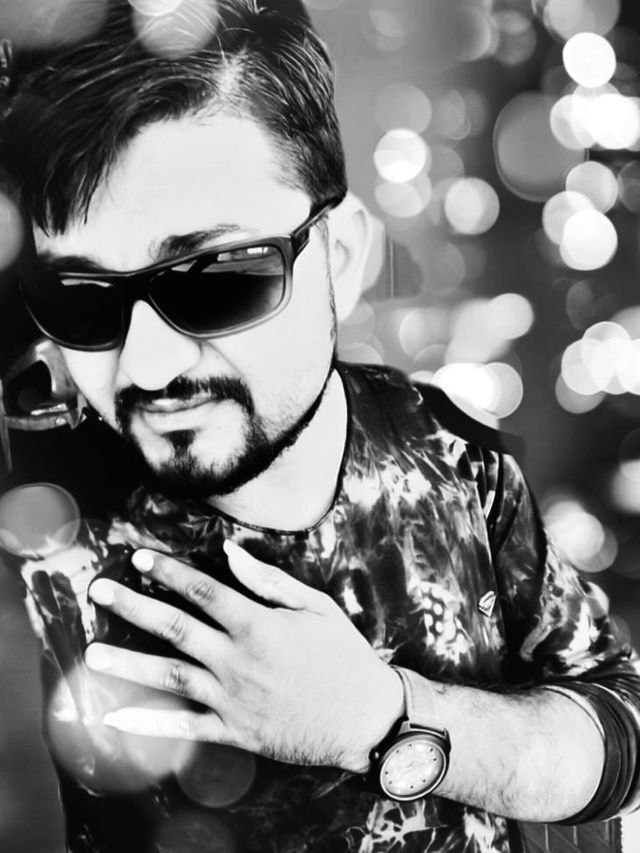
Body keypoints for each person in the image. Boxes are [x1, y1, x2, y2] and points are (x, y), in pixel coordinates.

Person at [0, 1, 639, 851]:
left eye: (216, 277)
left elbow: (621, 730)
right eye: (82, 299)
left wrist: (381, 720)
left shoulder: (454, 458)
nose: (147, 367)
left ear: (340, 255)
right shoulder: (42, 520)